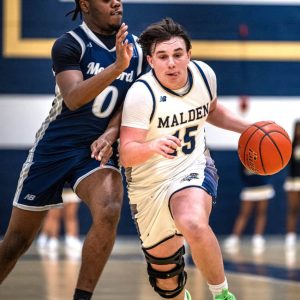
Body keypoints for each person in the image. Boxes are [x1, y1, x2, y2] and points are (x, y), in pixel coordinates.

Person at [0, 1, 147, 299]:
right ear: (85, 5)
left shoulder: (139, 50)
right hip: (55, 147)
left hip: (96, 150)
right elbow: (74, 98)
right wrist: (118, 66)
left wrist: (111, 132)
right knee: (16, 242)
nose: (116, 1)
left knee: (110, 206)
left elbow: (133, 101)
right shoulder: (69, 44)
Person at [120, 17, 251, 300]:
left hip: (192, 164)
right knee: (167, 281)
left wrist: (246, 128)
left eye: (178, 55)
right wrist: (153, 145)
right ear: (151, 60)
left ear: (189, 55)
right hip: (148, 182)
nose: (172, 63)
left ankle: (222, 295)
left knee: (192, 221)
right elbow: (126, 154)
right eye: (163, 56)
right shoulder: (141, 95)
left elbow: (211, 110)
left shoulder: (204, 76)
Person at [223, 164, 275, 254]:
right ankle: (235, 237)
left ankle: (258, 237)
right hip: (249, 187)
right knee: (244, 214)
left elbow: (271, 170)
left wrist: (265, 179)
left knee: (261, 213)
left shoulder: (266, 153)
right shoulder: (244, 154)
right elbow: (241, 172)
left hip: (263, 186)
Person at [36, 186, 83, 259]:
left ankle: (71, 239)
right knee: (54, 216)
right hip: (56, 189)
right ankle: (51, 239)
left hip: (71, 188)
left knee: (71, 215)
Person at [284, 120, 300, 248]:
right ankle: (290, 235)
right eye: (297, 128)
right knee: (293, 209)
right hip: (293, 182)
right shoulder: (290, 145)